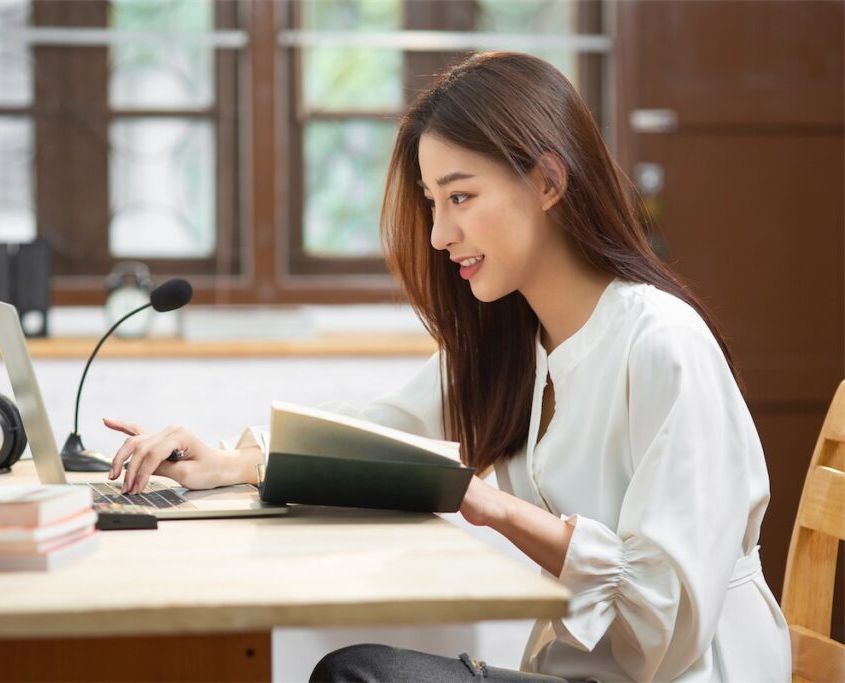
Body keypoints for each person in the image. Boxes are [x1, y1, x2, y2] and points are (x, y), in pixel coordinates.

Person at [104, 52, 791, 682]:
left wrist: (495, 507)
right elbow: (374, 436)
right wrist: (226, 459)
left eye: (460, 197)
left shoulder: (662, 342)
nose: (438, 235)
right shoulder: (515, 347)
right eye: (434, 203)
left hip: (690, 675)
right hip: (582, 671)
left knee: (356, 674)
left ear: (549, 181)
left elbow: (666, 626)